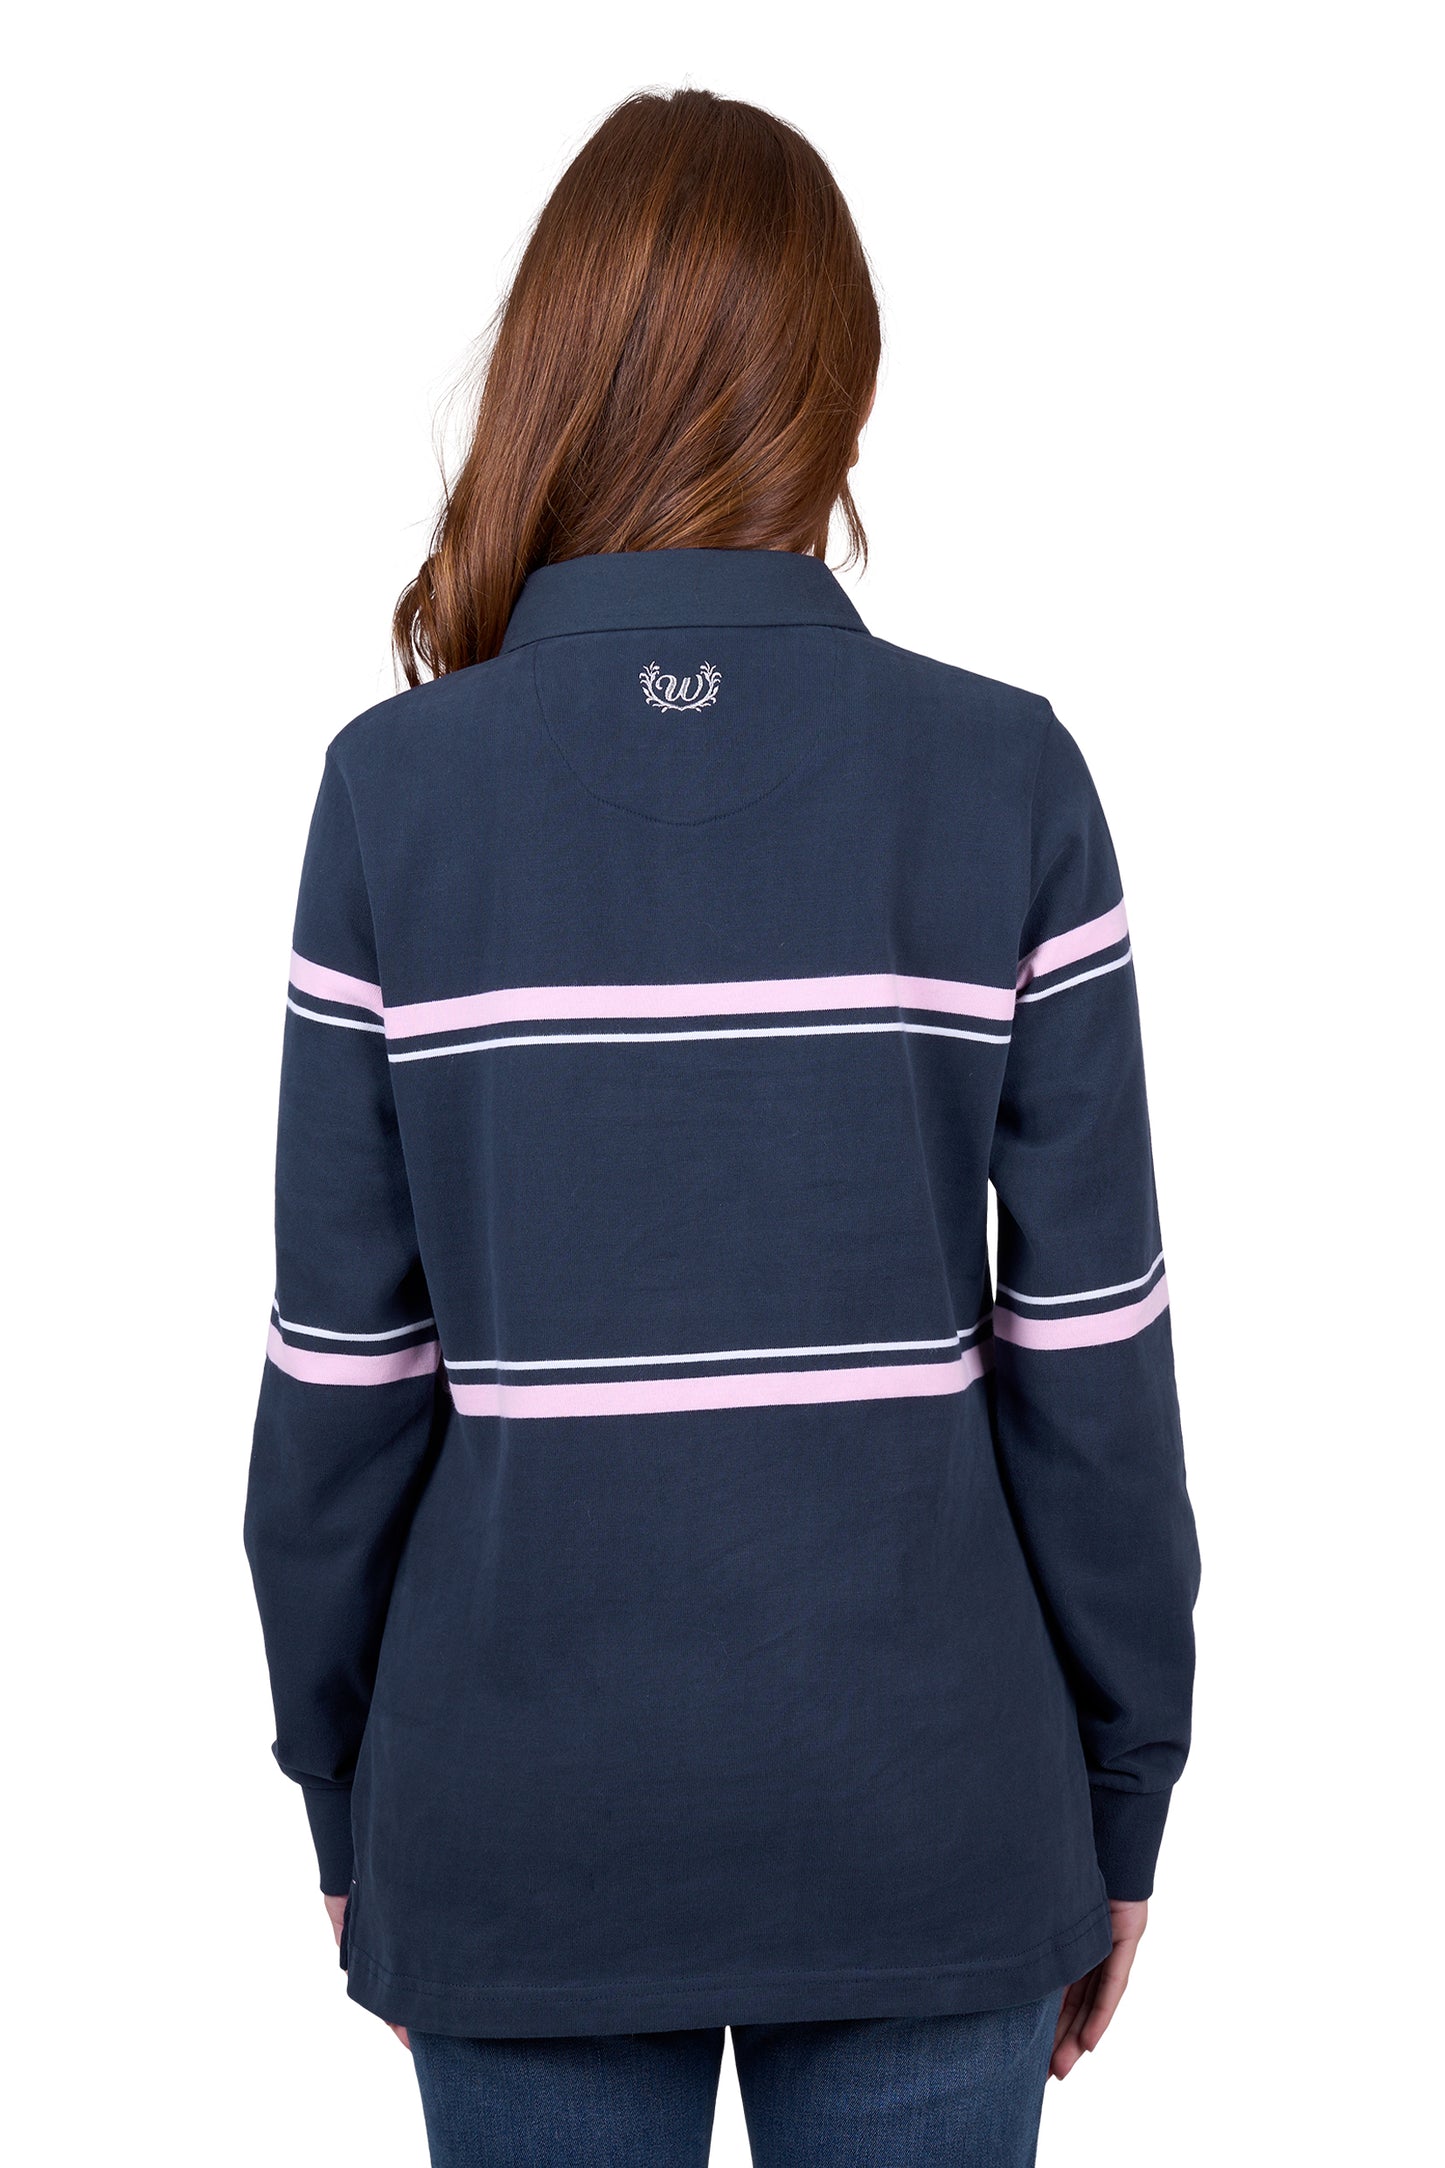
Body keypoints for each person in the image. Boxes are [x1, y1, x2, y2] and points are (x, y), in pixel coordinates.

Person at [244, 86, 1199, 2168]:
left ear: (556, 370)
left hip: (516, 1817)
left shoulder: (395, 799)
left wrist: (348, 1795)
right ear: (839, 382)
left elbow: (339, 1387)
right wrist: (1126, 1792)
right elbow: (1093, 1365)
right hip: (936, 1813)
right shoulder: (1005, 777)